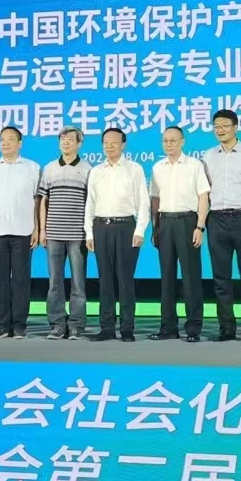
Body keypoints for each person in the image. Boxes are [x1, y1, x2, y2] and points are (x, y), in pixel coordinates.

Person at [202, 108, 241, 342]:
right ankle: (226, 328)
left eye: (225, 126)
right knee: (221, 277)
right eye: (216, 127)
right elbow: (205, 189)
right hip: (217, 218)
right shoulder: (208, 156)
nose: (220, 130)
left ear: (236, 127)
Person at [0, 126, 42, 338]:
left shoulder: (32, 167)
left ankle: (20, 325)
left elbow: (37, 201)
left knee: (21, 280)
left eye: (10, 139)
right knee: (0, 280)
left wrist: (37, 228)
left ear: (20, 143)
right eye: (2, 139)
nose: (5, 143)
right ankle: (3, 325)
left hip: (23, 231)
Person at [85, 127, 150, 342]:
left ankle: (127, 328)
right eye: (106, 143)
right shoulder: (96, 171)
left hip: (126, 227)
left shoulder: (134, 169)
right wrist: (89, 233)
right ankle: (106, 328)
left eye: (114, 143)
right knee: (105, 280)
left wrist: (139, 230)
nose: (109, 146)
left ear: (123, 145)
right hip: (101, 227)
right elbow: (90, 203)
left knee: (125, 280)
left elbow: (143, 202)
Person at [149, 125, 210, 342]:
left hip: (187, 222)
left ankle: (193, 328)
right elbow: (155, 199)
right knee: (166, 277)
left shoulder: (194, 165)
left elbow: (203, 197)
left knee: (190, 277)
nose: (168, 144)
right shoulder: (157, 167)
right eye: (165, 140)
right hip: (165, 222)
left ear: (182, 142)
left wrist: (200, 227)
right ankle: (168, 327)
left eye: (173, 140)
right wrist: (154, 227)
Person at [38, 127, 91, 341]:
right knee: (54, 283)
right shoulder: (50, 168)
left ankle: (77, 325)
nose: (65, 142)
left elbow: (91, 203)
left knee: (78, 283)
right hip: (53, 234)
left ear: (79, 144)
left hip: (78, 234)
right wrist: (42, 230)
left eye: (70, 139)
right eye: (62, 139)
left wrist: (89, 232)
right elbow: (43, 201)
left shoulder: (87, 169)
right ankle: (57, 325)